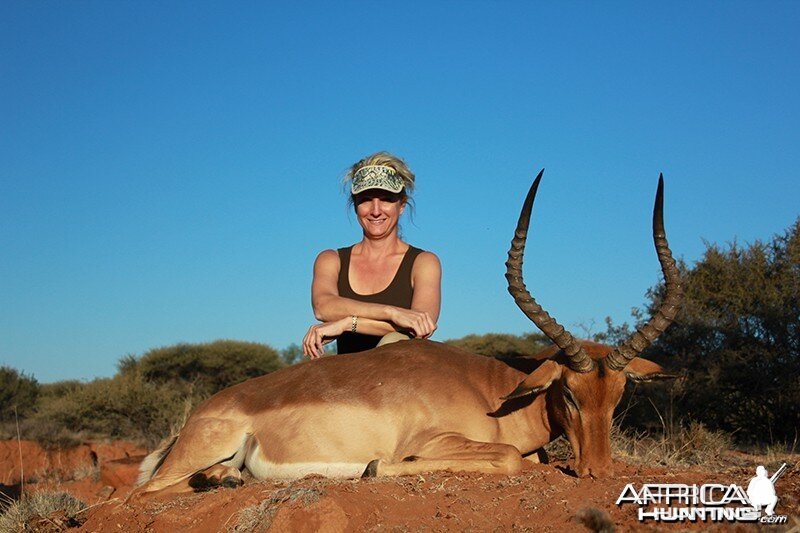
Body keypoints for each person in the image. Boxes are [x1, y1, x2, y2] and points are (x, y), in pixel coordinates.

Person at [302, 152, 441, 358]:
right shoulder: (331, 259)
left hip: (404, 380)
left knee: (394, 341)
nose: (375, 211)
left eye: (386, 199)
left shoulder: (424, 262)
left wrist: (347, 323)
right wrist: (392, 313)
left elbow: (420, 326)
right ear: (355, 205)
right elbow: (323, 307)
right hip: (349, 379)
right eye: (366, 200)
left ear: (401, 205)